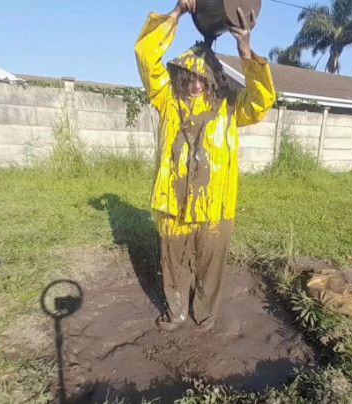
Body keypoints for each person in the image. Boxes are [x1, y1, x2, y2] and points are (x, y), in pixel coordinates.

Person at [135, 0, 276, 332]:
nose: (195, 82)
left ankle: (206, 314)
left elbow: (262, 101)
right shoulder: (166, 99)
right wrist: (176, 13)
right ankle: (176, 312)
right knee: (173, 262)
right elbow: (145, 56)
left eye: (203, 76)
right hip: (172, 201)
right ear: (180, 74)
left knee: (211, 266)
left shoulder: (230, 108)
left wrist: (245, 46)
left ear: (214, 78)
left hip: (216, 205)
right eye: (189, 75)